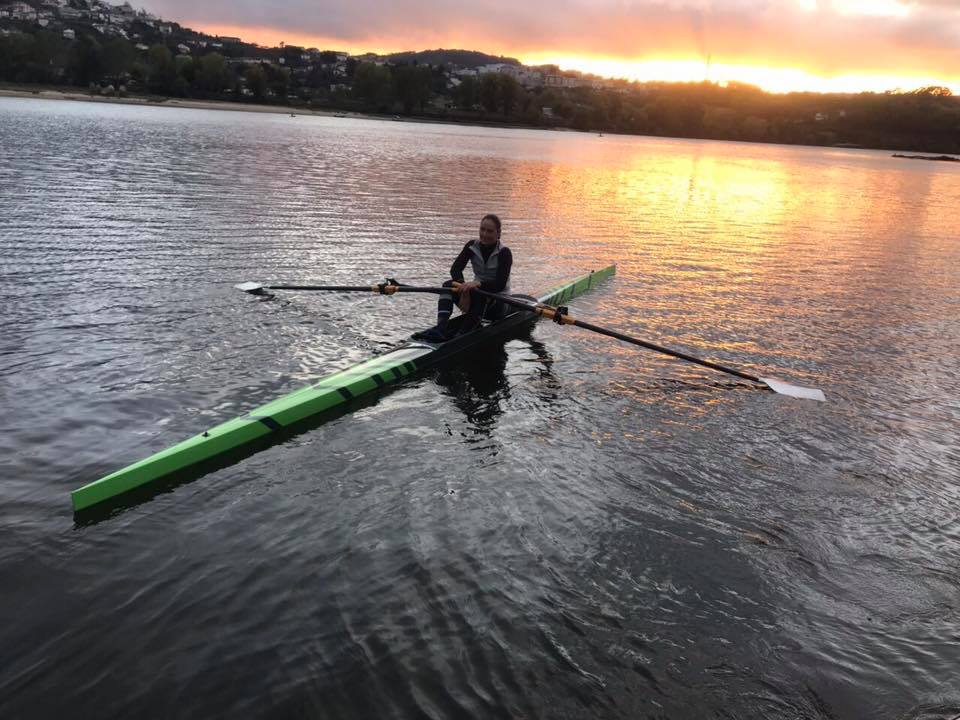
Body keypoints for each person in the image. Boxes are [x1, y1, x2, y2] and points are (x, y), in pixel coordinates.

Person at [413, 214, 513, 342]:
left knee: (480, 294)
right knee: (448, 286)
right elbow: (455, 269)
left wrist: (477, 284)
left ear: (498, 233)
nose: (484, 234)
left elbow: (499, 284)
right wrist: (463, 288)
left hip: (499, 303)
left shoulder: (504, 253)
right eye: (482, 229)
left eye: (489, 231)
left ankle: (460, 337)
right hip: (478, 296)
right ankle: (440, 329)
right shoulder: (472, 246)